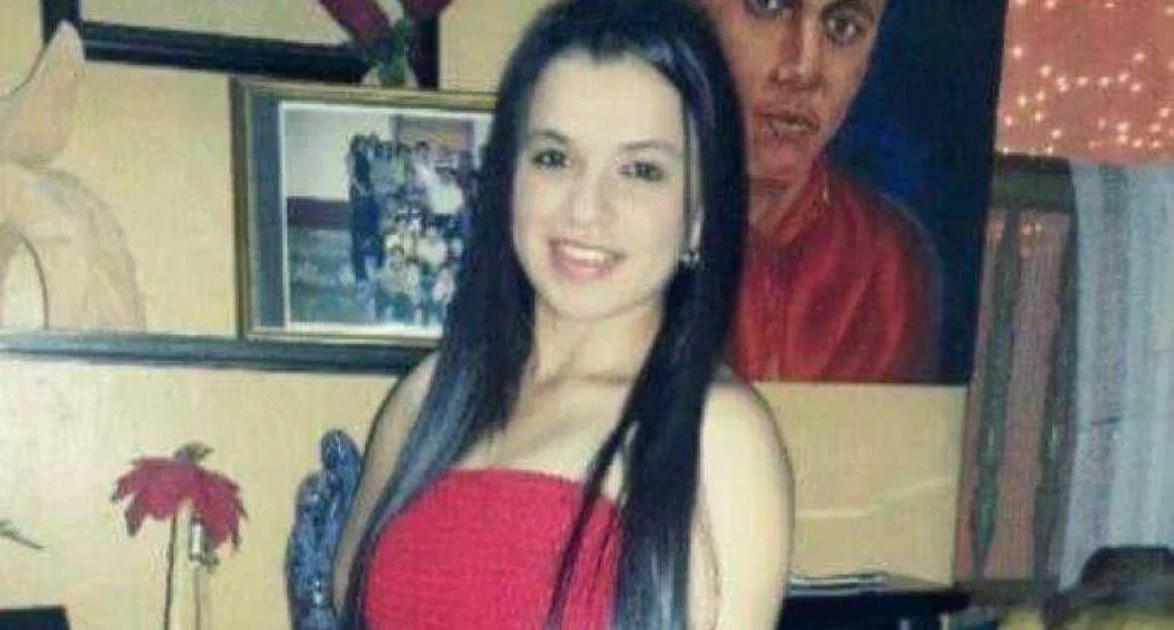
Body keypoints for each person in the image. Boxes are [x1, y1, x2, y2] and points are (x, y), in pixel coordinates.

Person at [331, 0, 793, 628]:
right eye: (553, 158)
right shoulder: (426, 398)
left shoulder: (721, 435)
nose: (584, 209)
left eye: (640, 170)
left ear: (699, 214)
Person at [699, 0, 939, 382]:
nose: (804, 69)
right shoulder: (625, 226)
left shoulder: (888, 264)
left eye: (843, 26)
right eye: (767, 6)